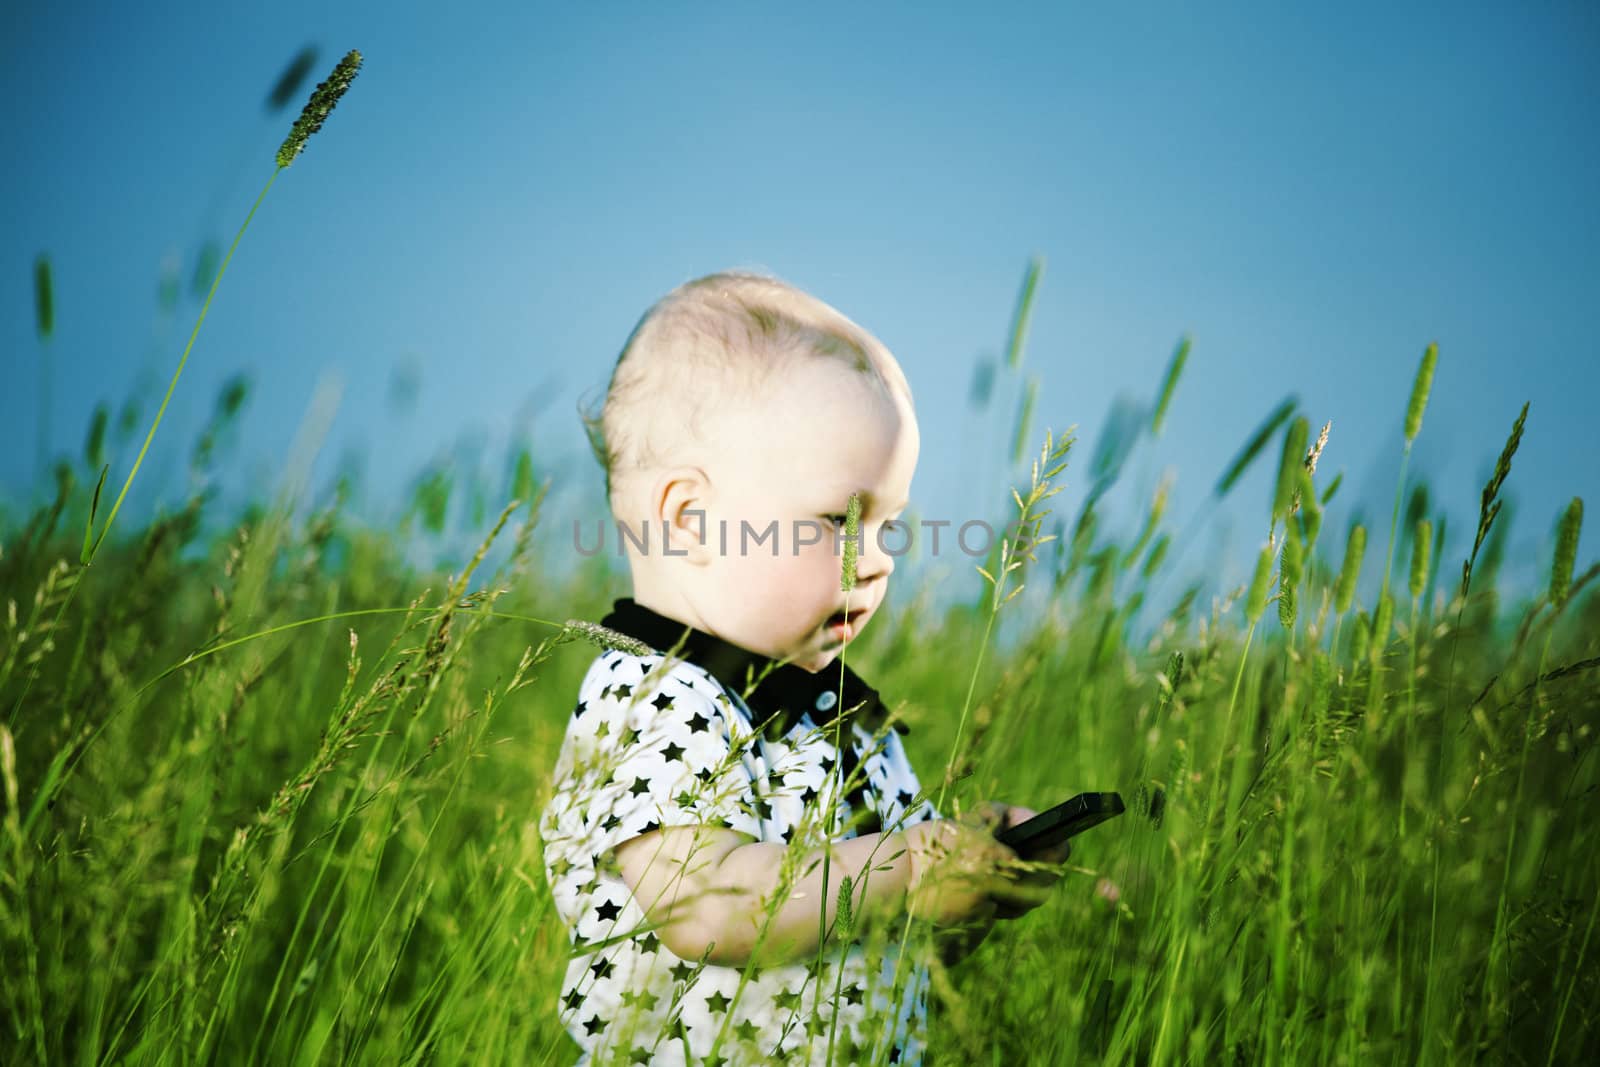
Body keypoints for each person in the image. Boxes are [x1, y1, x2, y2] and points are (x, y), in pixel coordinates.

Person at [540, 271, 1069, 1066]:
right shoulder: (656, 695)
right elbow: (708, 907)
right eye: (839, 519)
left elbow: (869, 929)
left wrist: (971, 879)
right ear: (691, 520)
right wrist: (911, 863)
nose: (880, 561)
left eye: (890, 525)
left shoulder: (842, 718)